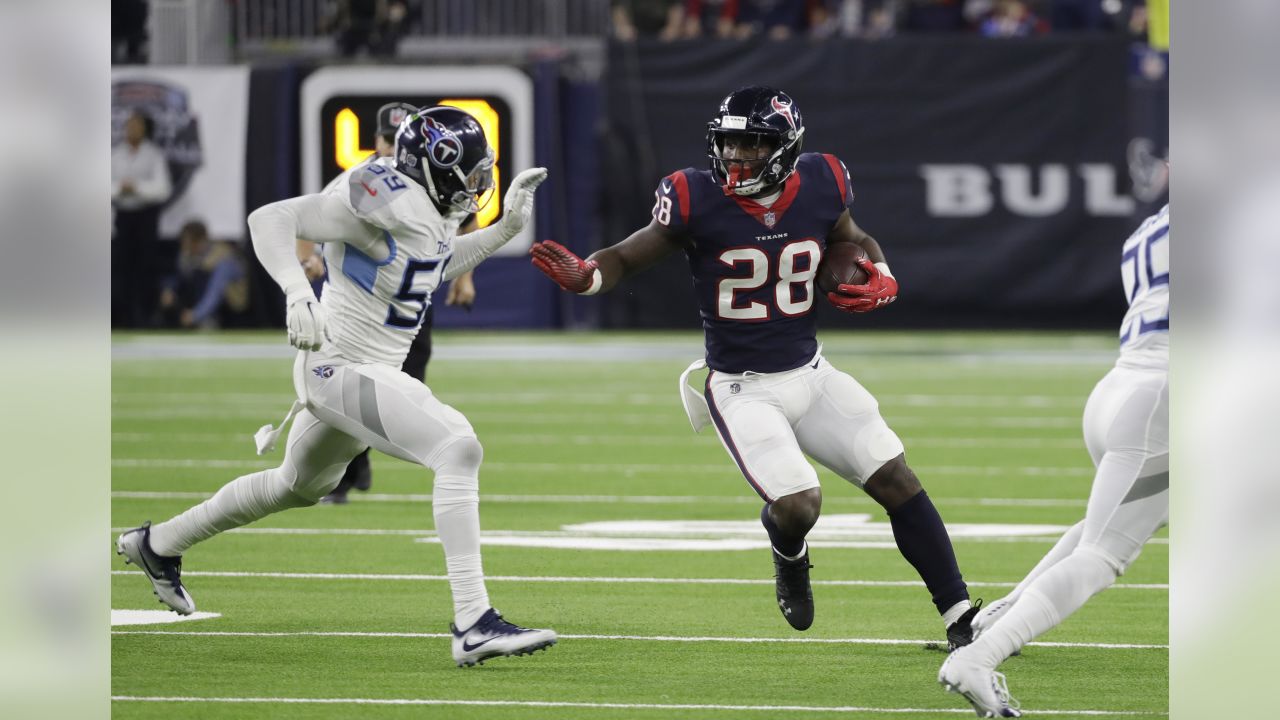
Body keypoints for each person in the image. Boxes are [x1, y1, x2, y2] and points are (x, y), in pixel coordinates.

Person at [531, 86, 979, 648]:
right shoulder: (694, 196)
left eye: (753, 144)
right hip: (743, 387)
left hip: (811, 373)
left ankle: (962, 618)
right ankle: (787, 548)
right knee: (797, 505)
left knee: (896, 478)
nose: (737, 157)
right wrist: (590, 276)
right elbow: (626, 254)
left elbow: (851, 238)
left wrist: (880, 270)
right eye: (730, 143)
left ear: (786, 147)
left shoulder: (822, 180)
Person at [116, 105, 557, 667]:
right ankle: (473, 621)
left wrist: (504, 232)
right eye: (469, 175)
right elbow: (268, 219)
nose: (478, 186)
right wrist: (297, 294)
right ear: (434, 169)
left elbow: (431, 265)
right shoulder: (381, 198)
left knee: (293, 487)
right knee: (458, 446)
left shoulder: (428, 210)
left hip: (363, 372)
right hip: (338, 366)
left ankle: (157, 545)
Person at [938, 205, 1170, 717]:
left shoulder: (1153, 226)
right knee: (1104, 555)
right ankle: (978, 659)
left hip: (1121, 390)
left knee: (1110, 524)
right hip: (1162, 402)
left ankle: (1001, 614)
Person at [293, 102, 479, 504]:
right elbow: (298, 219)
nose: (392, 149)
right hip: (360, 313)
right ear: (376, 141)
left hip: (410, 304)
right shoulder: (358, 182)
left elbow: (466, 220)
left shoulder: (435, 188)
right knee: (365, 392)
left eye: (400, 141)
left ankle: (355, 459)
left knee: (408, 385)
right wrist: (305, 267)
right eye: (387, 140)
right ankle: (347, 470)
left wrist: (465, 276)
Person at [112, 109, 172, 327]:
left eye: (137, 125)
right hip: (123, 216)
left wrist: (136, 187)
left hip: (146, 217)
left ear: (145, 129)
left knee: (146, 268)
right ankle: (121, 318)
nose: (133, 129)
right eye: (129, 125)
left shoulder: (153, 155)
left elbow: (162, 189)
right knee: (121, 269)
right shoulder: (116, 155)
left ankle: (145, 316)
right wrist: (121, 188)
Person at [157, 220, 250, 329]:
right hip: (195, 309)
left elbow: (215, 292)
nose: (185, 249)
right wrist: (169, 289)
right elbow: (178, 276)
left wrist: (195, 315)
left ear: (200, 241)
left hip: (230, 314)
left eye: (189, 244)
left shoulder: (224, 259)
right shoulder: (189, 257)